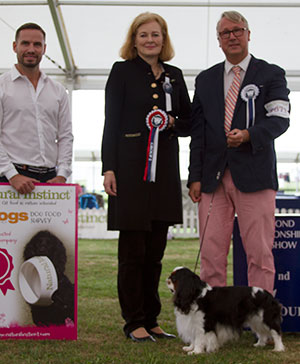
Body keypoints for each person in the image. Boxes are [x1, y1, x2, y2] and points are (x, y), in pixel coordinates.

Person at [102, 12, 191, 342]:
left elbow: (189, 121)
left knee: (155, 252)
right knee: (133, 253)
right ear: (134, 39)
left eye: (156, 35)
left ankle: (152, 319)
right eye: (144, 35)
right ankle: (133, 321)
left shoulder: (175, 75)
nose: (150, 40)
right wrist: (108, 167)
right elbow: (110, 122)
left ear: (164, 39)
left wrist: (169, 123)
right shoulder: (121, 71)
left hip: (165, 171)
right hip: (129, 170)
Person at [188, 11, 290, 294]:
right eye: (225, 33)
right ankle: (215, 328)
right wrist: (194, 176)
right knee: (210, 255)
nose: (232, 36)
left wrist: (248, 135)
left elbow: (280, 120)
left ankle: (263, 325)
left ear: (248, 34)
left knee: (259, 254)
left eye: (237, 30)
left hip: (255, 176)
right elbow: (198, 132)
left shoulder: (271, 74)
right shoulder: (206, 79)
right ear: (218, 41)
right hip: (211, 179)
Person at [0, 23, 73, 194]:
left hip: (51, 178)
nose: (31, 49)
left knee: (50, 223)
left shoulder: (57, 90)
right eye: (25, 43)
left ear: (44, 48)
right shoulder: (2, 86)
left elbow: (65, 136)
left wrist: (62, 174)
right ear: (14, 46)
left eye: (37, 44)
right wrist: (12, 175)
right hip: (9, 179)